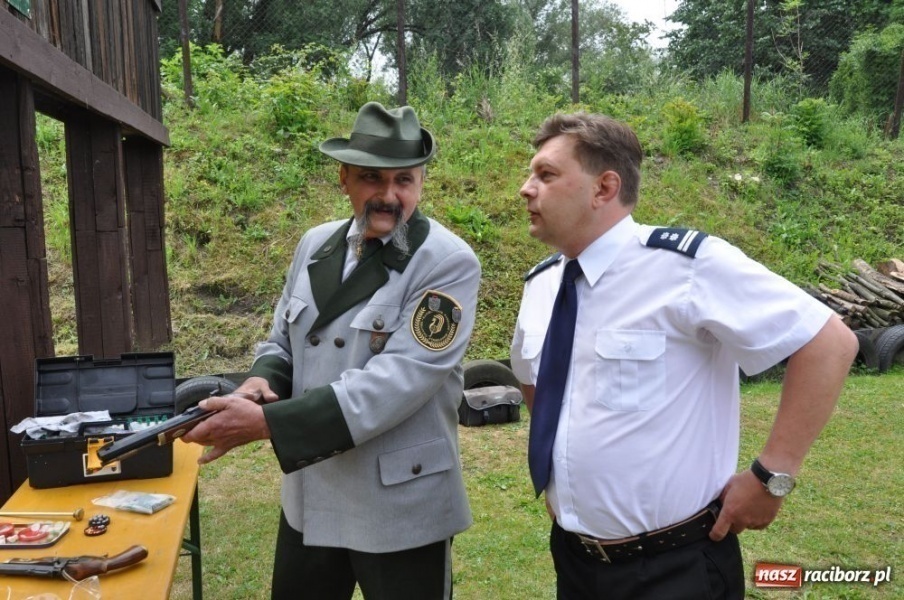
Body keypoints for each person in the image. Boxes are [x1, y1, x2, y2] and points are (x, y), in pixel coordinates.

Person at [509, 112, 858, 599]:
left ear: (604, 188)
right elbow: (536, 383)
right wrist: (562, 480)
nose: (526, 188)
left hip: (673, 568)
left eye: (546, 175)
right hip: (576, 560)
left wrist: (771, 476)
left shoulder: (686, 268)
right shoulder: (543, 285)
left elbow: (829, 342)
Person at [181, 102, 481, 600]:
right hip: (312, 492)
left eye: (404, 180)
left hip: (399, 500)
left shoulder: (447, 262)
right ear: (343, 178)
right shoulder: (315, 244)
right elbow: (283, 340)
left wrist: (268, 425)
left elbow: (400, 379)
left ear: (422, 183)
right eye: (371, 178)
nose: (389, 196)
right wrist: (262, 381)